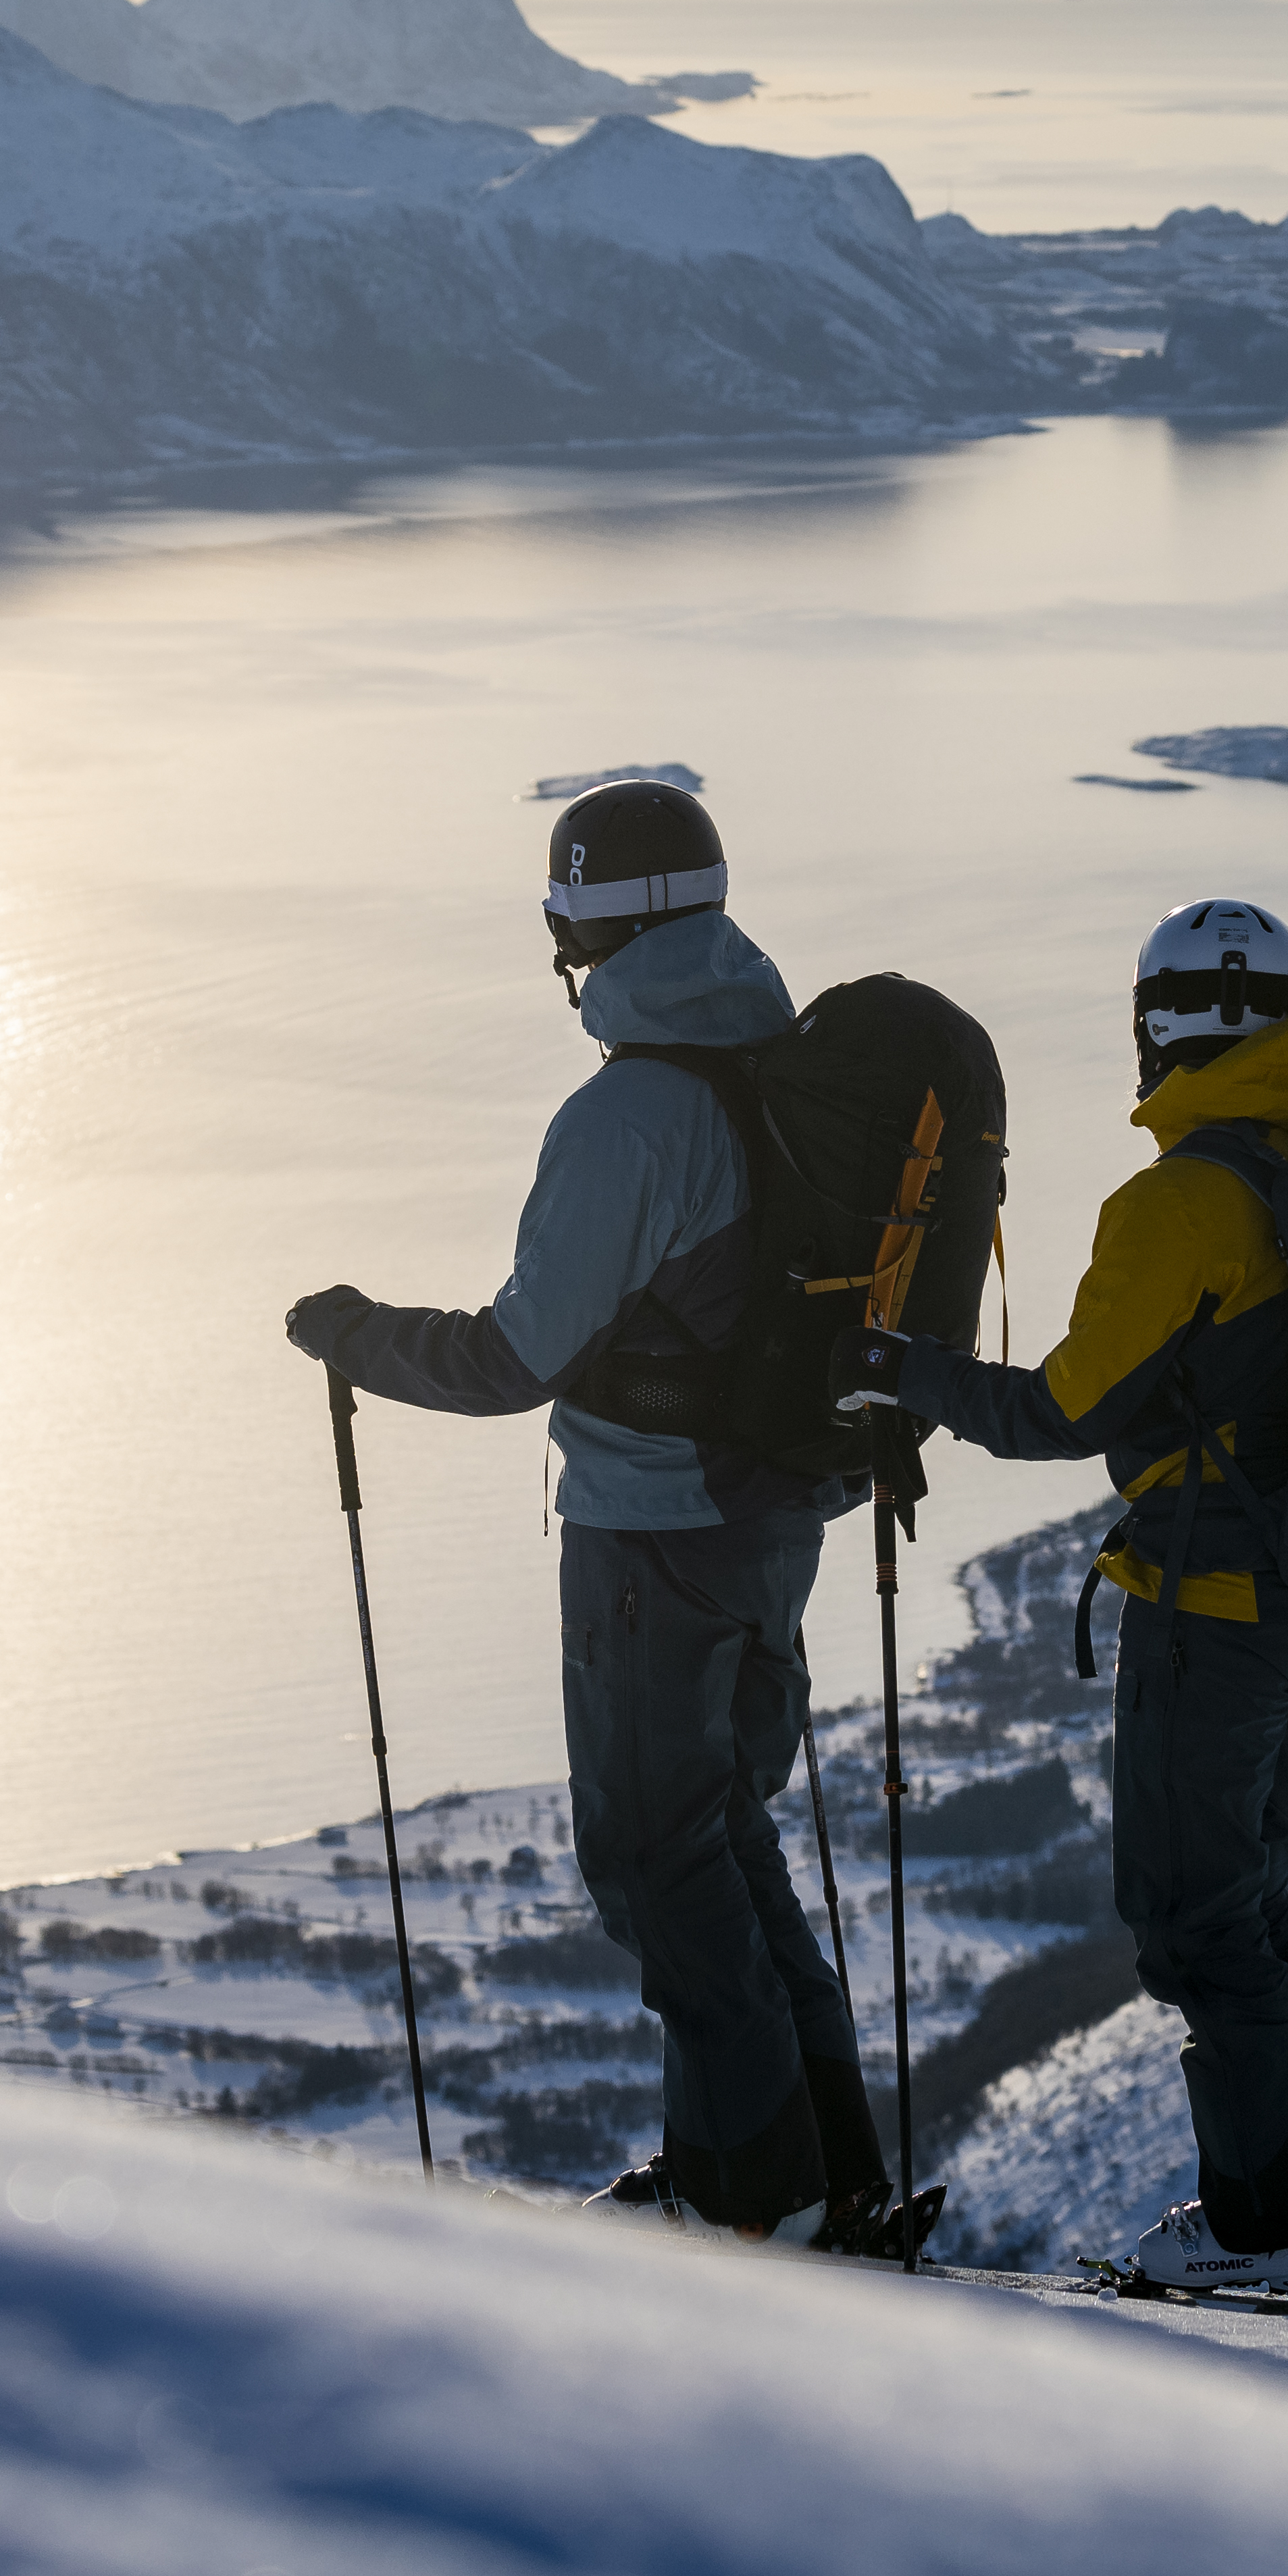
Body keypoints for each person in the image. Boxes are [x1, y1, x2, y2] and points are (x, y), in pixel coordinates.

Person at [280, 780, 890, 2248]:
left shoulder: (630, 1116)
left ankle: (753, 2197)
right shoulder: (784, 1067)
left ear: (587, 930)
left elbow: (513, 1358)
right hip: (776, 1515)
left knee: (655, 1861)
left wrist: (352, 1334)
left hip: (654, 1531)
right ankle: (816, 2168)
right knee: (723, 1837)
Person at [840, 896, 1288, 2296]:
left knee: (1191, 1917)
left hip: (1216, 1611)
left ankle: (1285, 2223)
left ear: (1158, 1030)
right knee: (1252, 1901)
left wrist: (904, 1369)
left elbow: (1062, 1411)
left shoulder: (1181, 1202)